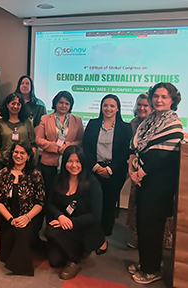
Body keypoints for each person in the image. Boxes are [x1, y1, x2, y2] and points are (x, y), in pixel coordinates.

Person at [127, 83, 183, 284]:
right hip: (144, 182)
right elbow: (135, 147)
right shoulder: (149, 120)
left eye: (164, 97)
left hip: (158, 186)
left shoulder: (173, 123)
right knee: (143, 225)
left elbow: (159, 157)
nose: (159, 100)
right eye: (156, 96)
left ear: (172, 100)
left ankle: (152, 270)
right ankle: (145, 263)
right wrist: (132, 170)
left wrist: (139, 173)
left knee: (153, 227)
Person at [82, 94, 132, 254]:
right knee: (92, 203)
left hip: (114, 173)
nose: (108, 109)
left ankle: (103, 237)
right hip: (94, 170)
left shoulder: (125, 127)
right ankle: (90, 235)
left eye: (112, 106)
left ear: (118, 108)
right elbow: (86, 147)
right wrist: (96, 167)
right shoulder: (93, 124)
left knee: (108, 205)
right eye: (105, 105)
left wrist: (110, 169)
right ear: (101, 107)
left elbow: (125, 151)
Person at [45, 145, 104, 280]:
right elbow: (49, 204)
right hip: (63, 225)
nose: (74, 165)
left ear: (83, 162)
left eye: (77, 161)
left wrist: (70, 222)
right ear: (64, 162)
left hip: (83, 228)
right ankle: (73, 251)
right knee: (55, 261)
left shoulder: (92, 183)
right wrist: (60, 217)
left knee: (51, 232)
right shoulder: (58, 179)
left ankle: (75, 259)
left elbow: (95, 215)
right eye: (70, 161)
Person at [0, 141, 45, 276]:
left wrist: (26, 218)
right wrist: (10, 219)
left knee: (21, 234)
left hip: (29, 218)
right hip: (8, 218)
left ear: (28, 157)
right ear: (11, 154)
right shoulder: (3, 173)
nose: (18, 155)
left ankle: (23, 269)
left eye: (23, 153)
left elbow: (40, 202)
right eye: (16, 152)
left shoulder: (35, 175)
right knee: (4, 256)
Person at [36, 91, 84, 195]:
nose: (63, 105)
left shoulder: (77, 120)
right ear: (55, 103)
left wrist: (67, 147)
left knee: (66, 191)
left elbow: (80, 141)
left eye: (67, 103)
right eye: (61, 102)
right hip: (49, 163)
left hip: (70, 163)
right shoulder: (45, 119)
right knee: (49, 192)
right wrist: (56, 147)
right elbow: (39, 139)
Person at [126, 93, 152, 249]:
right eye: (139, 105)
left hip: (151, 170)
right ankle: (136, 237)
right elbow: (130, 148)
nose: (142, 108)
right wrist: (130, 168)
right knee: (134, 205)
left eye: (145, 105)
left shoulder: (155, 124)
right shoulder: (132, 124)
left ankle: (162, 239)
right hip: (135, 169)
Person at [0, 93, 36, 167]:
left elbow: (33, 144)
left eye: (18, 104)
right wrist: (1, 159)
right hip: (5, 163)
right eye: (13, 103)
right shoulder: (0, 123)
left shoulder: (27, 123)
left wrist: (29, 158)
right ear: (7, 105)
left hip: (23, 163)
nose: (15, 106)